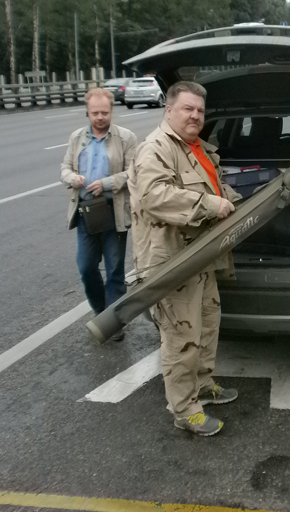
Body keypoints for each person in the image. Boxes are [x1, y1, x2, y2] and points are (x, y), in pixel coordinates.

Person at [129, 81, 241, 436]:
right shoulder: (155, 149)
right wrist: (210, 205)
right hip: (172, 263)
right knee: (181, 337)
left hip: (200, 256)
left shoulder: (196, 148)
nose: (195, 116)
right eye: (187, 108)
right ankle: (184, 410)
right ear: (169, 110)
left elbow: (217, 189)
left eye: (200, 111)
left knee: (206, 325)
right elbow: (155, 196)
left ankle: (203, 385)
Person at [61, 88, 137, 334]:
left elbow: (134, 172)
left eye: (104, 112)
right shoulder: (77, 138)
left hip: (114, 212)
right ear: (87, 112)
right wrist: (72, 178)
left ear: (111, 111)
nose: (100, 117)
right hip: (86, 214)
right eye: (95, 113)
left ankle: (112, 323)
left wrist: (106, 183)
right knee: (86, 267)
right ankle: (100, 309)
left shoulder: (125, 138)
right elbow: (64, 168)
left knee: (114, 270)